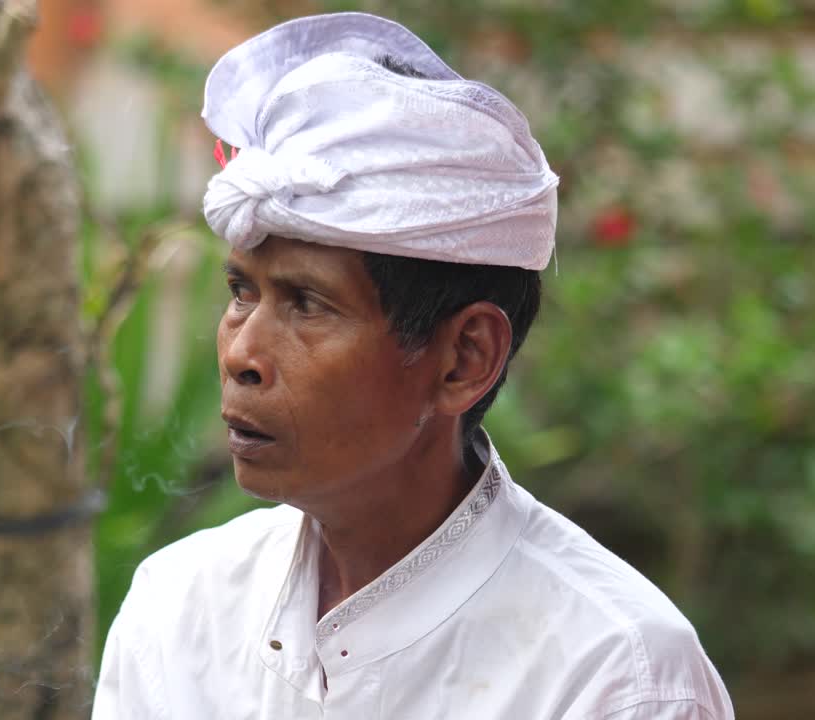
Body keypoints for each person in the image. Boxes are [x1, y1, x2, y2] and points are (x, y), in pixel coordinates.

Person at [93, 12, 733, 720]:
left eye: (307, 304)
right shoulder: (181, 609)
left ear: (465, 359)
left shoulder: (615, 675)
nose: (242, 352)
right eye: (242, 292)